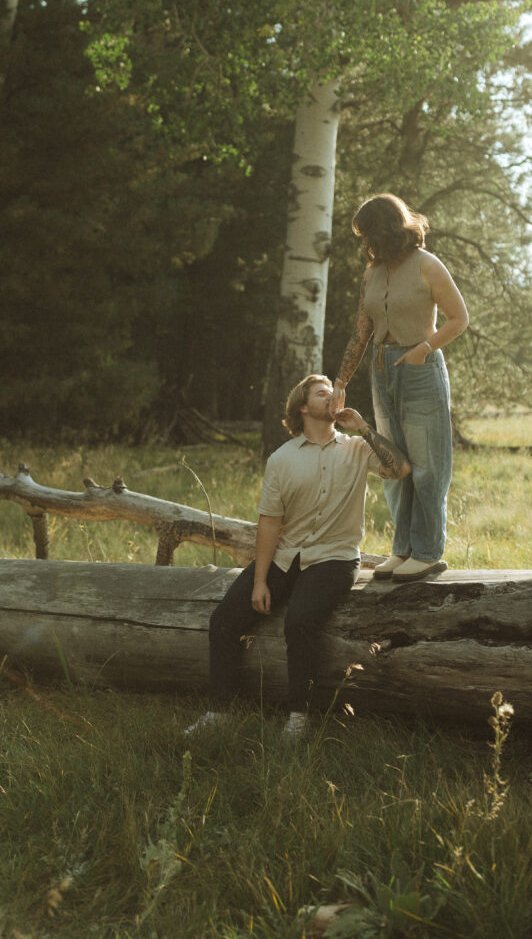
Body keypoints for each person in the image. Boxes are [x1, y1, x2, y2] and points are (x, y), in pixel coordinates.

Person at [187, 374, 411, 741]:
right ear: (303, 407)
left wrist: (364, 427)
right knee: (224, 620)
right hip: (285, 556)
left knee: (300, 622)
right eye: (323, 393)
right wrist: (260, 581)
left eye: (335, 392)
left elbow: (400, 469)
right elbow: (270, 524)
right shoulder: (282, 458)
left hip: (335, 559)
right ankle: (220, 712)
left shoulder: (357, 448)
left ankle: (298, 718)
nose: (333, 396)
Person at [331, 194, 468, 583]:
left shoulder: (428, 265)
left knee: (427, 466)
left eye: (368, 234)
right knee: (395, 464)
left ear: (387, 229)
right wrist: (341, 381)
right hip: (381, 371)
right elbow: (363, 330)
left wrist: (424, 350)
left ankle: (427, 553)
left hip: (421, 370)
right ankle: (403, 549)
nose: (364, 243)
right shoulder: (371, 275)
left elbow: (459, 318)